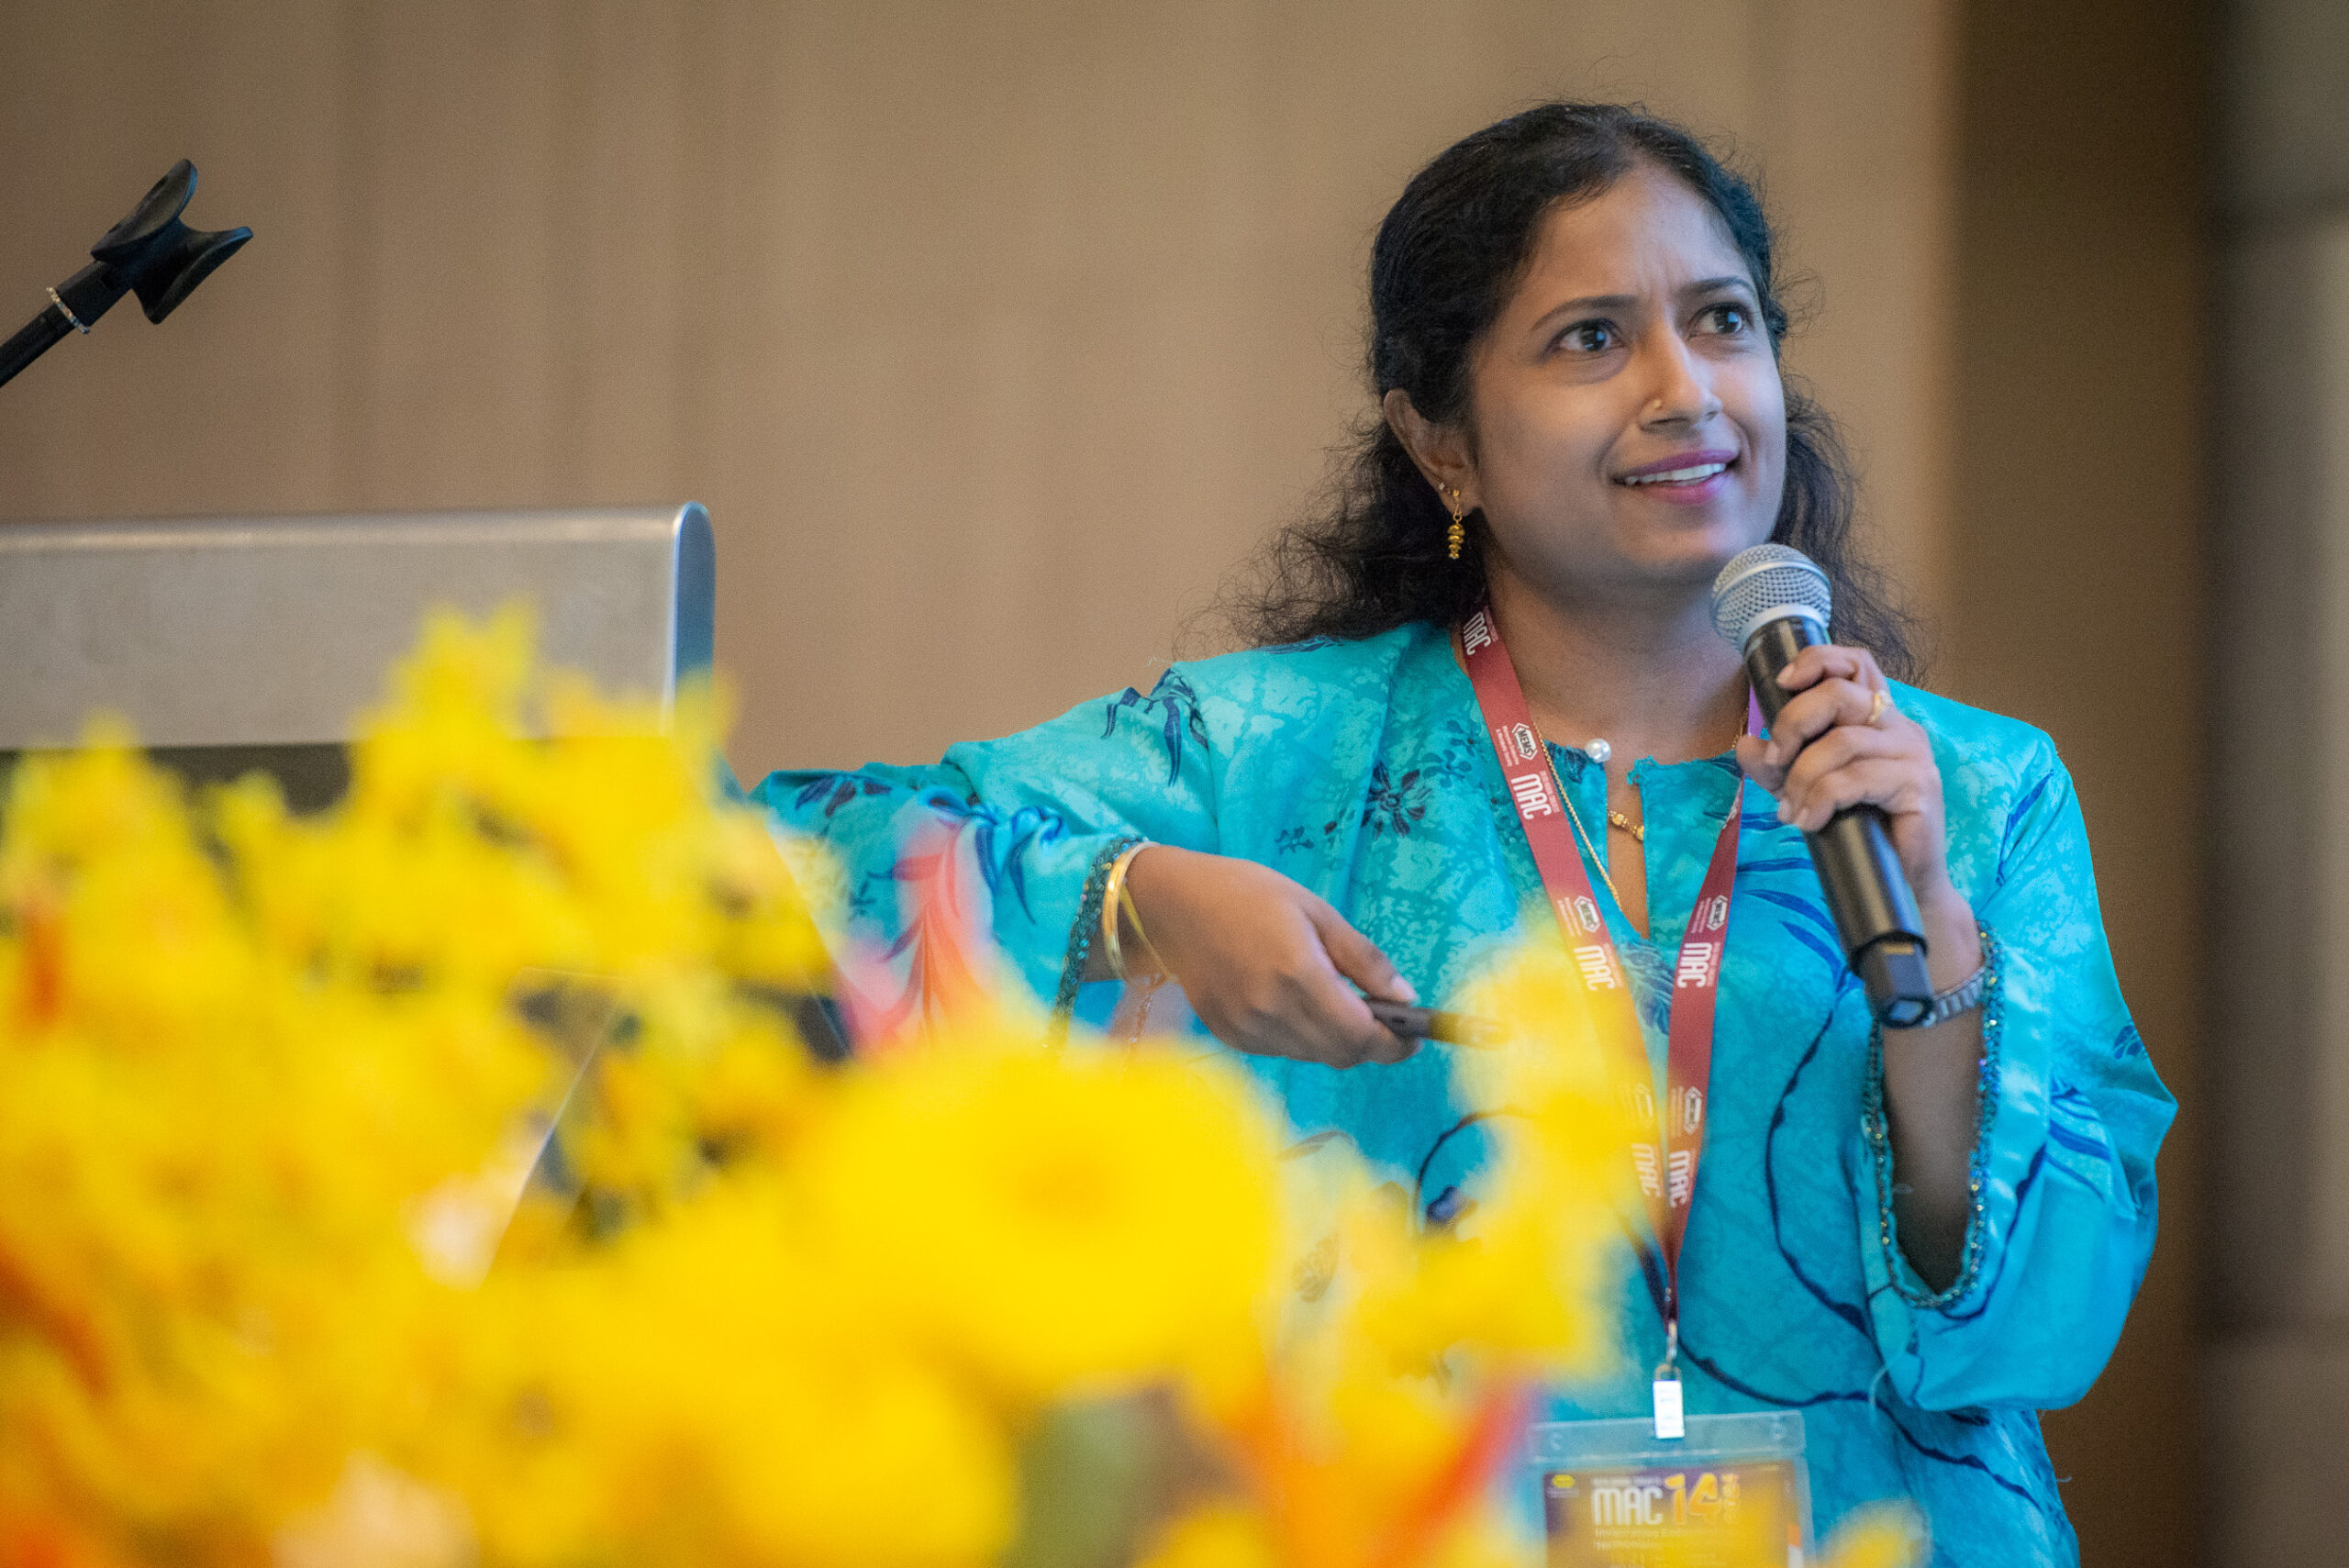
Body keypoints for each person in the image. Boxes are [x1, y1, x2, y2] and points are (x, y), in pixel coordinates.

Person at [750, 103, 2170, 1562]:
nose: (1687, 389)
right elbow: (781, 852)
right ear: (1444, 448)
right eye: (1592, 338)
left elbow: (2044, 1331)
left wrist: (1933, 942)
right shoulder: (1272, 758)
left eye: (1723, 321)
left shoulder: (1972, 792)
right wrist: (1141, 898)